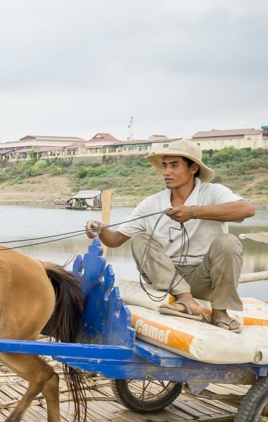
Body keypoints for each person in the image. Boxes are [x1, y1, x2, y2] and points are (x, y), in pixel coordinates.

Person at [85, 139, 255, 333]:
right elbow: (115, 240)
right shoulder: (151, 203)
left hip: (204, 278)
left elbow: (246, 210)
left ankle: (220, 312)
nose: (167, 172)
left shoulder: (213, 192)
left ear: (193, 168)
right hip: (166, 278)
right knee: (141, 239)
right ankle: (185, 299)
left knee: (229, 242)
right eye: (165, 166)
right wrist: (100, 230)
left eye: (174, 165)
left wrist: (193, 212)